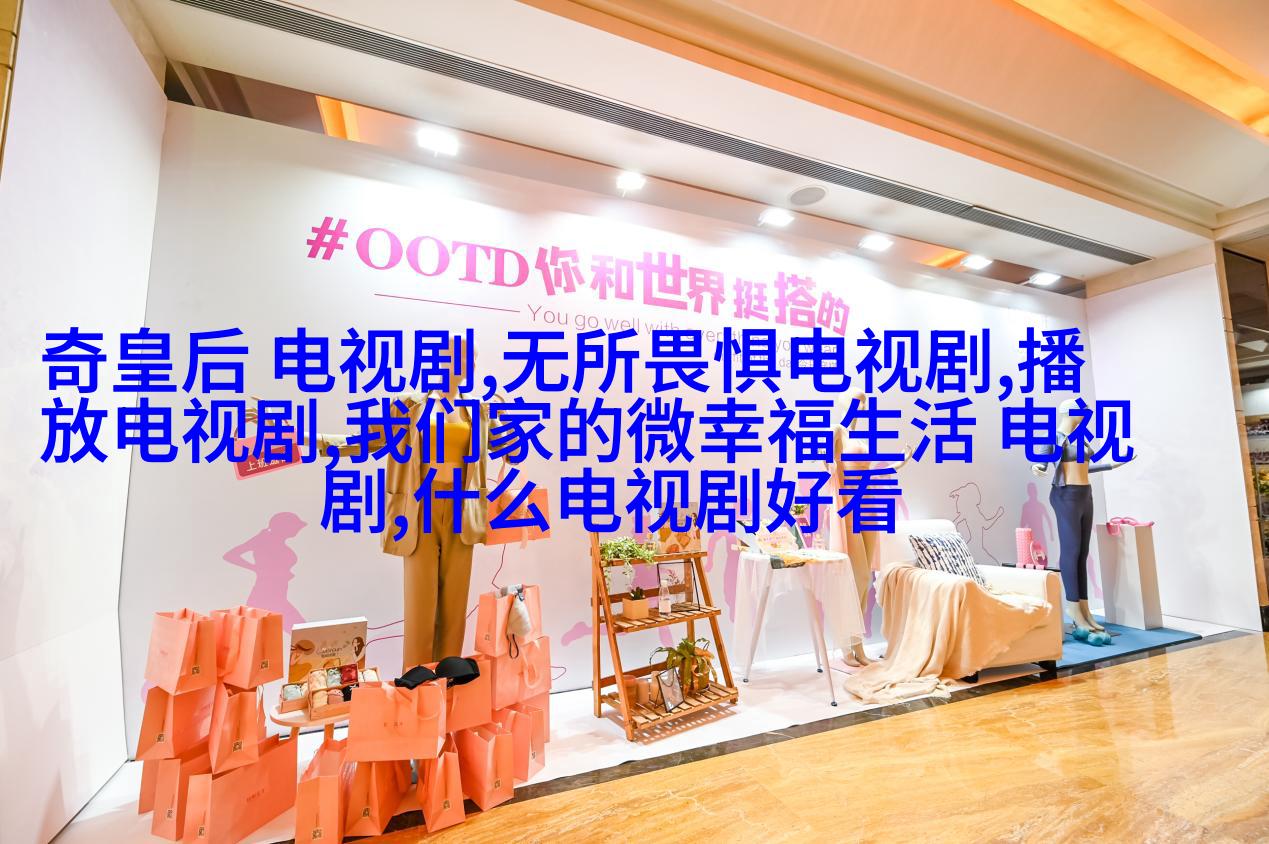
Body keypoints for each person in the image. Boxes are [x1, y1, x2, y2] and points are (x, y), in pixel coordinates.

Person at [1032, 398, 1134, 636]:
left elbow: (1085, 467)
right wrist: (1037, 467)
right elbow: (1040, 462)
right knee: (1071, 551)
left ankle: (1085, 609)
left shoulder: (1082, 439)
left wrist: (1113, 465)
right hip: (1065, 496)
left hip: (1084, 495)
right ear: (1070, 412)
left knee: (1083, 553)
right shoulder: (1055, 437)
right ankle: (1073, 609)